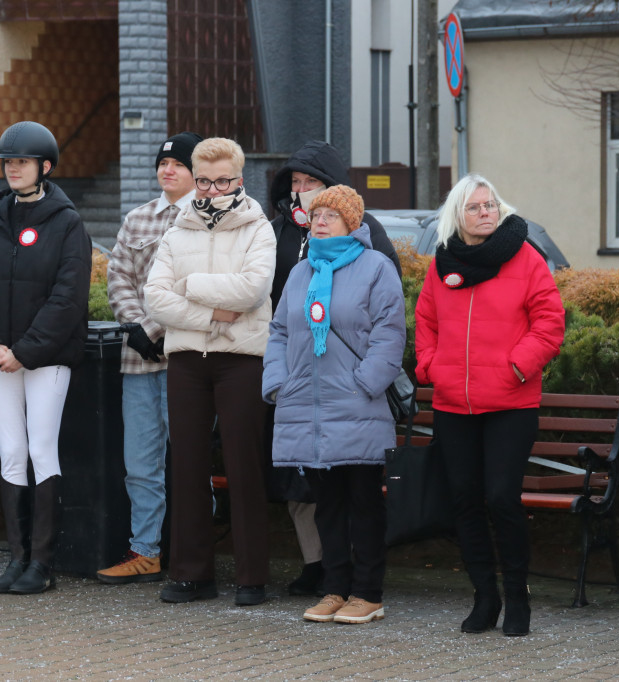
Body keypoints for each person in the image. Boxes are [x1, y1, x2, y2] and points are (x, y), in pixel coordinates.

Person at [414, 173, 564, 636]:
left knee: (501, 498)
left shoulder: (526, 258)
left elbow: (549, 321)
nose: (485, 213)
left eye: (490, 205)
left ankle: (518, 598)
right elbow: (426, 323)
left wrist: (517, 367)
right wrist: (431, 368)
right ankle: (485, 597)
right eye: (475, 207)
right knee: (464, 502)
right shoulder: (442, 265)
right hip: (454, 404)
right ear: (458, 215)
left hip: (510, 403)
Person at [0, 121, 91, 595]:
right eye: (8, 162)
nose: (13, 169)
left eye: (22, 162)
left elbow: (68, 297)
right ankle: (16, 560)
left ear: (45, 167)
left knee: (40, 450)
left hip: (46, 360)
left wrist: (25, 351)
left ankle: (42, 564)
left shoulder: (68, 222)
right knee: (11, 453)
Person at [263, 185, 405, 623]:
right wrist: (278, 383)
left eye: (331, 214)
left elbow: (389, 333)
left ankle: (368, 593)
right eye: (317, 213)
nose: (320, 219)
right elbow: (279, 332)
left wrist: (365, 383)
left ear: (353, 223)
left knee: (364, 502)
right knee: (327, 505)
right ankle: (334, 589)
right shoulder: (302, 272)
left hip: (357, 405)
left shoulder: (376, 267)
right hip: (308, 406)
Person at [144, 137, 276, 606]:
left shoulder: (259, 228)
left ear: (239, 180)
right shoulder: (176, 230)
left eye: (223, 181)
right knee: (186, 466)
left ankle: (251, 577)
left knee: (244, 467)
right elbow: (154, 299)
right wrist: (211, 316)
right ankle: (191, 573)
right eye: (204, 181)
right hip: (186, 360)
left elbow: (252, 290)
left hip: (242, 361)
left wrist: (191, 285)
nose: (213, 190)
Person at [96, 131, 201, 584]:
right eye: (163, 163)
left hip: (189, 358)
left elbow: (198, 285)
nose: (168, 169)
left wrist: (155, 328)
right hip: (138, 361)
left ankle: (192, 555)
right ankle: (145, 551)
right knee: (140, 464)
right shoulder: (138, 218)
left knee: (191, 460)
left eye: (178, 163)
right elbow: (117, 276)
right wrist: (136, 328)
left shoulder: (209, 220)